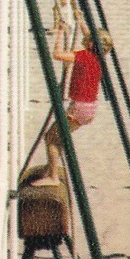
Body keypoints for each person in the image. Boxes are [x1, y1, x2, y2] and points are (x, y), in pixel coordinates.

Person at [44, 23, 111, 175]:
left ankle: (53, 176)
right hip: (89, 108)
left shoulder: (83, 56)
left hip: (79, 108)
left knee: (51, 138)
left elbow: (57, 54)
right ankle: (50, 170)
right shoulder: (100, 56)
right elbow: (91, 36)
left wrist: (60, 33)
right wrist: (80, 22)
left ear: (91, 43)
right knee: (57, 138)